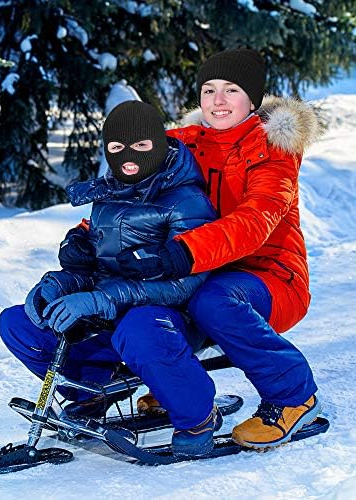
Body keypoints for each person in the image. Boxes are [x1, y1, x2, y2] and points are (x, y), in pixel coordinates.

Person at [116, 49, 322, 450]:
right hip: (200, 271)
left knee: (212, 300)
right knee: (146, 304)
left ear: (253, 99)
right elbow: (128, 194)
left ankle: (293, 396)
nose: (218, 100)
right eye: (209, 90)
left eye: (231, 90)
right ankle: (176, 384)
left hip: (270, 277)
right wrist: (84, 234)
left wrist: (182, 252)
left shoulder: (273, 151)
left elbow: (254, 223)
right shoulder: (181, 144)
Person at [0, 100, 223, 459]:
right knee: (17, 323)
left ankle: (199, 416)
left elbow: (185, 283)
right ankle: (93, 392)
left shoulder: (186, 201)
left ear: (160, 144)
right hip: (111, 314)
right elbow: (91, 266)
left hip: (167, 318)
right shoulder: (108, 196)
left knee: (138, 328)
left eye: (141, 146)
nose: (128, 156)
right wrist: (59, 284)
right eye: (117, 148)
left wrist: (103, 299)